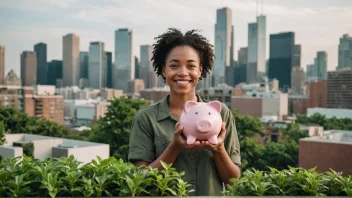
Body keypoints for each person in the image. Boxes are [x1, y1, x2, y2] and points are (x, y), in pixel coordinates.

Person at [128, 28, 241, 196]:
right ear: (164, 70)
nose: (183, 72)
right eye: (174, 65)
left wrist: (218, 149)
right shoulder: (146, 118)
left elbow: (233, 181)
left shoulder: (220, 114)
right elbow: (141, 179)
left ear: (200, 71)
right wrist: (175, 146)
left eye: (191, 66)